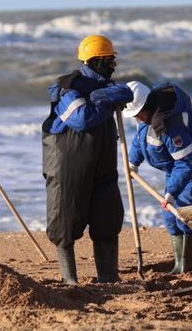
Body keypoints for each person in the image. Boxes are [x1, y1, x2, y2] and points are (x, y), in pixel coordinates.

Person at [41, 34, 133, 285]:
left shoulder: (107, 85)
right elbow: (82, 119)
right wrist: (105, 100)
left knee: (108, 216)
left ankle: (108, 278)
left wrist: (98, 98)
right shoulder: (67, 88)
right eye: (109, 60)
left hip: (102, 160)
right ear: (94, 61)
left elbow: (127, 92)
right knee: (65, 221)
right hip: (67, 162)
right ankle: (70, 280)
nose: (114, 64)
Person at [122, 81, 192, 273]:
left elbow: (188, 163)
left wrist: (171, 191)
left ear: (147, 106)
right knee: (170, 216)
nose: (137, 118)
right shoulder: (147, 118)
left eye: (138, 114)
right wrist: (132, 162)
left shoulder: (170, 126)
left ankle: (186, 267)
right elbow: (140, 140)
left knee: (187, 213)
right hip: (177, 167)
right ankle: (178, 263)